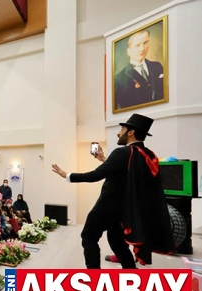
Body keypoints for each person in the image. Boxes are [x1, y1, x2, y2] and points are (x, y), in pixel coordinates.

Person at [52, 113, 174, 268]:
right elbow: (125, 171)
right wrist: (105, 159)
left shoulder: (122, 152)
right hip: (125, 210)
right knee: (117, 242)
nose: (118, 132)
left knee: (88, 237)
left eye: (122, 129)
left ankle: (94, 275)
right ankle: (131, 273)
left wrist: (67, 175)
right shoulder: (146, 154)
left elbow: (96, 175)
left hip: (108, 206)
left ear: (130, 132)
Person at [114, 30, 165, 110]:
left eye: (145, 43)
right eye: (137, 45)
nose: (142, 48)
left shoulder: (157, 66)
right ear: (129, 51)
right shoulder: (118, 79)